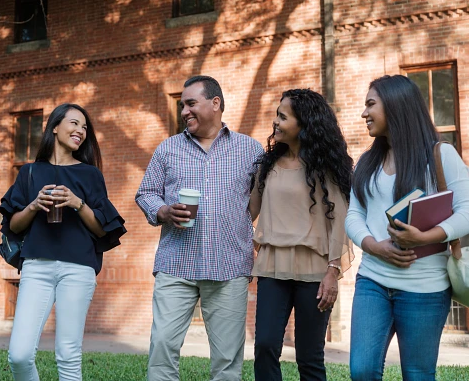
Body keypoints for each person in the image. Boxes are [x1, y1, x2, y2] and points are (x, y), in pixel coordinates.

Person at [135, 75, 264, 381]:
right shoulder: (168, 149)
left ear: (215, 103)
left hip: (228, 266)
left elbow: (256, 202)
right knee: (163, 346)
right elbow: (145, 193)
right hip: (177, 264)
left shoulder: (250, 149)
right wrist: (163, 210)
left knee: (227, 359)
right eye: (182, 105)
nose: (183, 111)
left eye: (191, 103)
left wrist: (240, 228)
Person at [345, 75, 469, 380]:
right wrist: (374, 246)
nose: (364, 113)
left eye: (370, 104)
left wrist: (426, 237)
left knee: (417, 374)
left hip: (425, 288)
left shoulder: (440, 155)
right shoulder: (367, 161)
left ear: (396, 105)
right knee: (361, 370)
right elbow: (353, 214)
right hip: (372, 280)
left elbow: (466, 209)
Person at [0, 103, 126, 381]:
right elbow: (13, 226)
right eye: (74, 123)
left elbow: (103, 230)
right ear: (55, 127)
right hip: (36, 267)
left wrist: (77, 203)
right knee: (19, 355)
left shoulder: (90, 174)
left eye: (84, 127)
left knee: (68, 355)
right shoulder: (29, 173)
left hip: (78, 269)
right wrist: (33, 205)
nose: (81, 131)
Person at [249, 89, 354, 381]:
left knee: (309, 356)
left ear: (304, 123)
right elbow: (248, 211)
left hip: (315, 271)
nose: (276, 122)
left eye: (283, 116)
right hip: (271, 267)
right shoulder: (266, 165)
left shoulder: (326, 167)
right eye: (277, 115)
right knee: (266, 346)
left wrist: (333, 270)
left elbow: (341, 221)